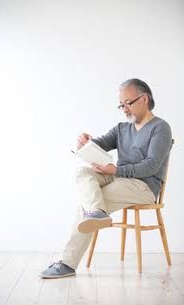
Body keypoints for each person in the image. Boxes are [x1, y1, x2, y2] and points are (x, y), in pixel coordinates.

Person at [40, 78, 172, 279]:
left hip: (143, 186)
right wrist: (84, 142)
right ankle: (98, 212)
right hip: (119, 178)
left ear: (144, 98)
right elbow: (98, 145)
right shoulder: (121, 128)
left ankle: (67, 262)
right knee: (82, 173)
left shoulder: (160, 128)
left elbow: (150, 166)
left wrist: (115, 170)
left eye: (128, 102)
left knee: (88, 205)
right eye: (121, 105)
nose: (124, 109)